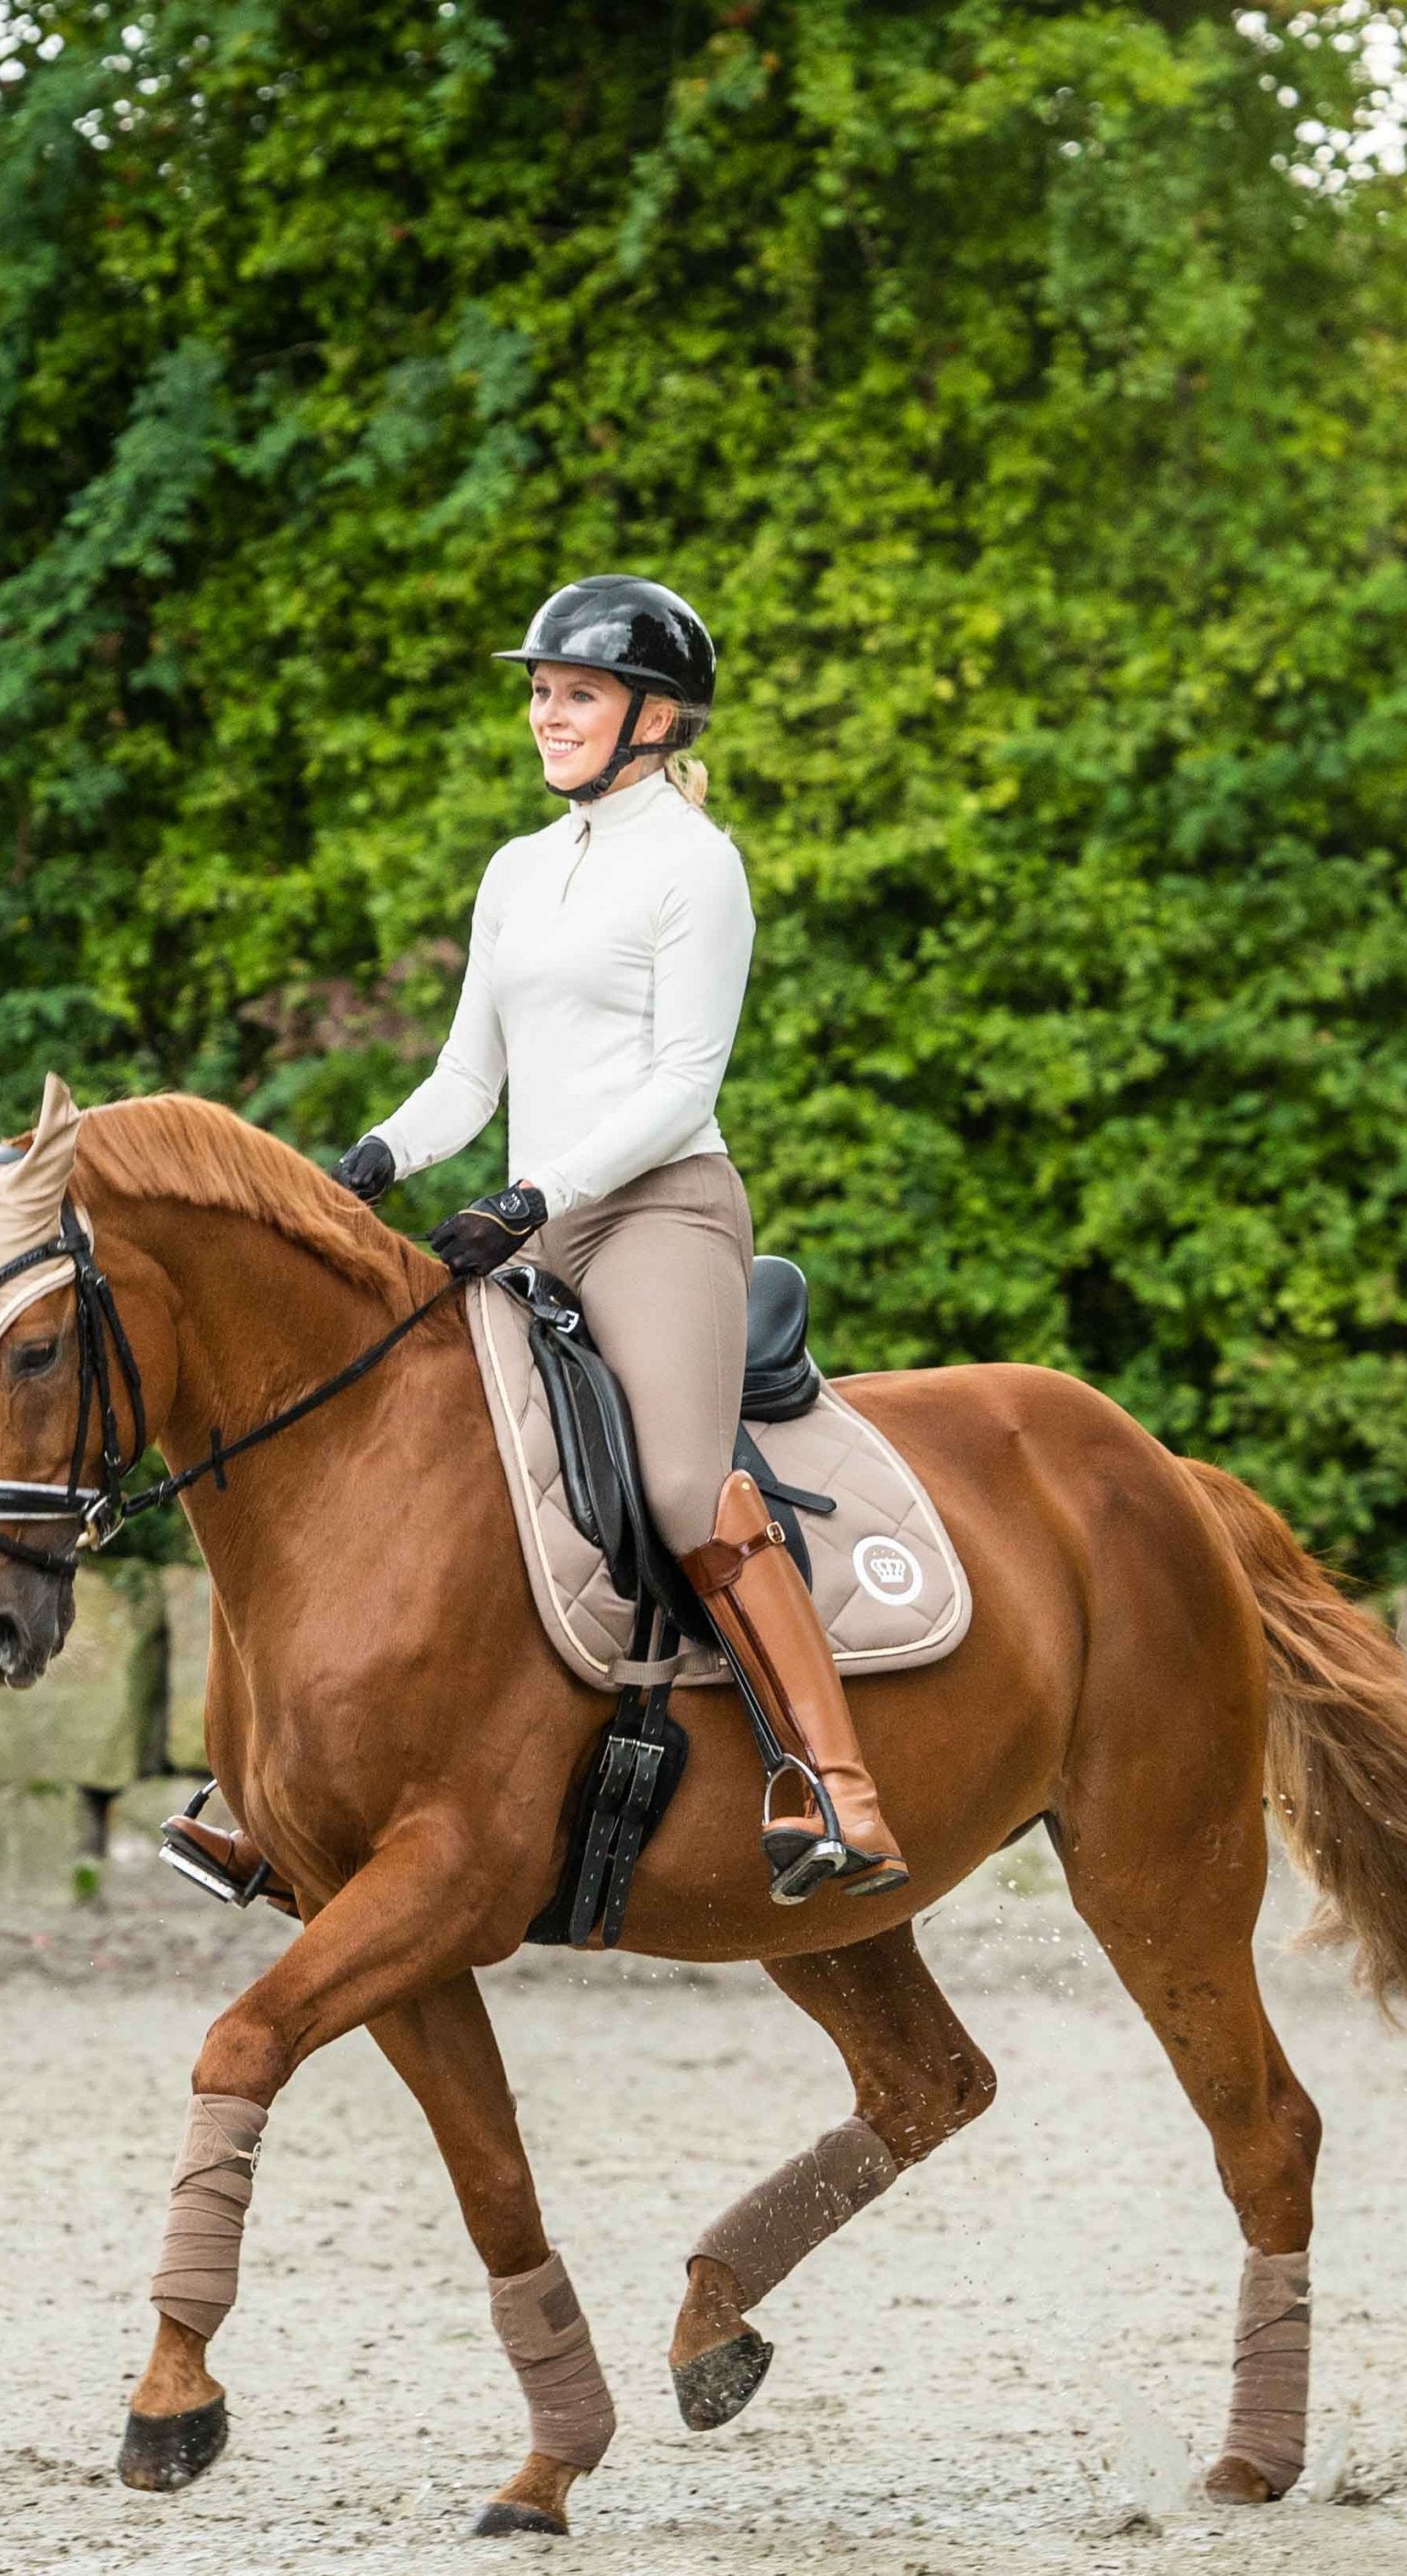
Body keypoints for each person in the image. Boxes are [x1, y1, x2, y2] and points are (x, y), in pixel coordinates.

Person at [326, 576, 907, 1905]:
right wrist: (366, 1164)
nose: (545, 715)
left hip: (657, 1212)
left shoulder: (695, 865)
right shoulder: (518, 870)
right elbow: (465, 1079)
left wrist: (532, 1200)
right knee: (408, 1446)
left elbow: (681, 1088)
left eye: (573, 693)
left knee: (675, 1488)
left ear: (653, 717)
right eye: (539, 692)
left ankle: (837, 1785)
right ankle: (289, 1782)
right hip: (541, 1213)